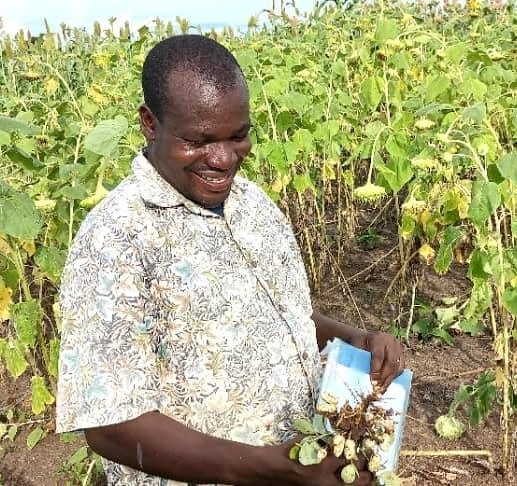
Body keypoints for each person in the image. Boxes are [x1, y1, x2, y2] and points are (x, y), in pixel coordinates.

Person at [55, 34, 405, 486]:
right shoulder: (115, 238)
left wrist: (354, 339)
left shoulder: (252, 203)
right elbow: (110, 425)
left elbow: (278, 313)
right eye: (199, 141)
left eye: (238, 136)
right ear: (149, 122)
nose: (223, 159)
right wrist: (273, 469)